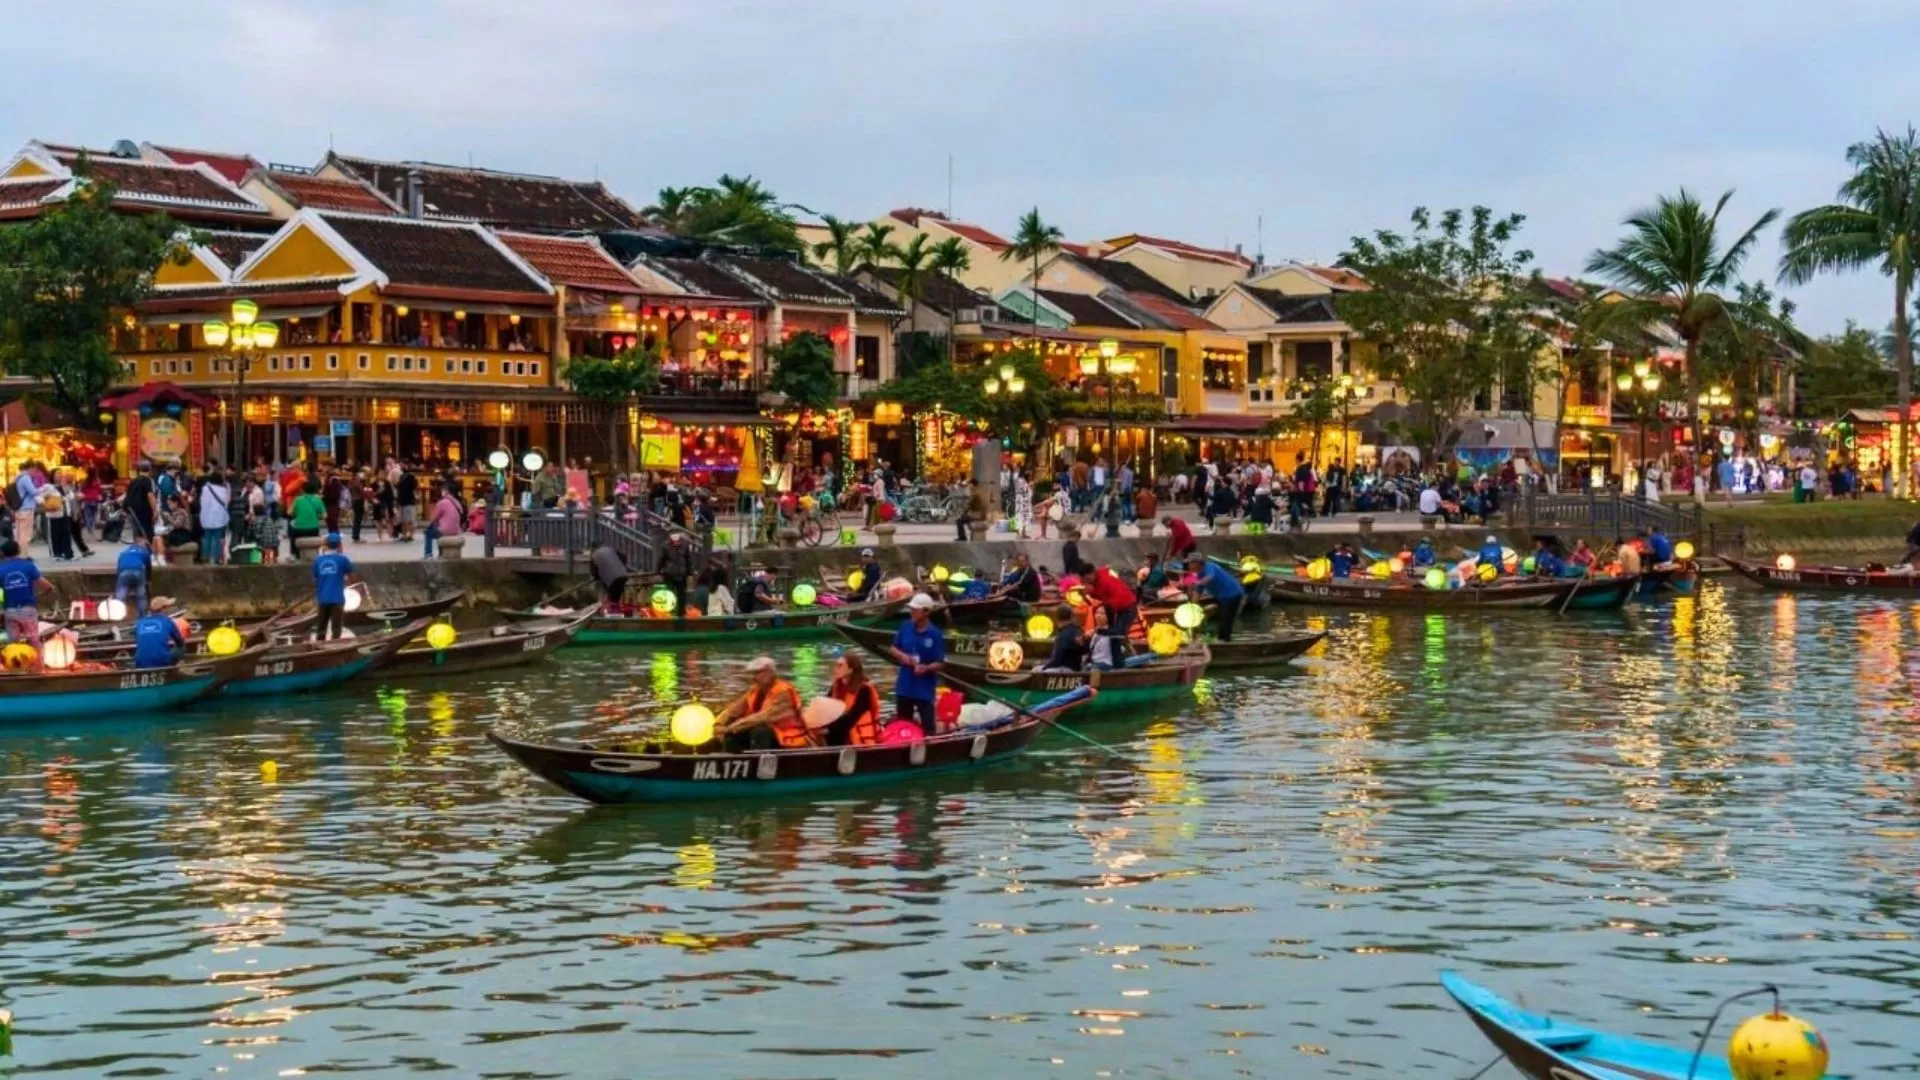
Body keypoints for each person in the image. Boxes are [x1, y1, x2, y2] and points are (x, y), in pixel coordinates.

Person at [716, 655, 811, 751]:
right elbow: (734, 709)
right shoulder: (755, 690)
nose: (753, 678)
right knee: (731, 736)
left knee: (760, 731)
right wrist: (719, 724)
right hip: (766, 733)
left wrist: (732, 728)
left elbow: (764, 717)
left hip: (788, 737)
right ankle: (731, 758)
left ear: (770, 673)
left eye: (757, 673)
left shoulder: (783, 691)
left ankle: (758, 759)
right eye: (753, 674)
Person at [888, 593, 946, 736]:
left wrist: (926, 668)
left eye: (915, 609)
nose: (912, 612)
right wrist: (903, 657)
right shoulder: (905, 627)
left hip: (924, 690)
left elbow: (940, 663)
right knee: (903, 727)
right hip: (904, 687)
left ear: (926, 611)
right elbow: (893, 648)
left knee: (928, 729)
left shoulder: (935, 634)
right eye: (911, 609)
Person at [823, 652, 883, 747]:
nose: (835, 668)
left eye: (840, 665)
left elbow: (852, 718)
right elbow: (825, 709)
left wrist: (828, 729)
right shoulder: (836, 687)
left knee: (831, 733)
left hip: (857, 738)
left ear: (851, 670)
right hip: (840, 732)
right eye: (836, 665)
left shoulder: (864, 689)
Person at [0, 538, 51, 647]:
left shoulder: (1, 569)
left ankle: (15, 658)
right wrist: (44, 593)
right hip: (28, 610)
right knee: (34, 641)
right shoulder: (28, 565)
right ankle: (37, 658)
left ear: (2, 553)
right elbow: (46, 585)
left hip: (10, 611)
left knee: (13, 645)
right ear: (19, 550)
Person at [1186, 552, 1246, 641]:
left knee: (1226, 620)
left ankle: (1224, 641)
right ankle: (1222, 639)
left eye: (1190, 563)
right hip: (1222, 597)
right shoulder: (1199, 575)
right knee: (1222, 619)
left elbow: (1210, 577)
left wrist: (1196, 582)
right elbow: (1197, 593)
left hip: (1233, 594)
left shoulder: (1209, 566)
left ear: (1197, 563)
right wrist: (1192, 607)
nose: (1189, 566)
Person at [312, 533, 358, 641]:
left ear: (326, 544)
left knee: (321, 628)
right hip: (337, 598)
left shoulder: (318, 560)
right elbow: (352, 576)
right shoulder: (343, 560)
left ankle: (319, 645)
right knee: (336, 629)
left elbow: (315, 579)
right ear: (339, 545)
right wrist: (346, 583)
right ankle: (335, 644)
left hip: (322, 598)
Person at [1087, 560, 1140, 639]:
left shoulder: (1106, 583)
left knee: (1117, 633)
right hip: (1120, 607)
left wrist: (1098, 632)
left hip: (1125, 607)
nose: (1099, 616)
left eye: (1102, 614)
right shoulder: (1101, 585)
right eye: (1098, 613)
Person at [132, 597, 186, 670]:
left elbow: (139, 639)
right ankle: (171, 669)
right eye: (168, 607)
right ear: (164, 608)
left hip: (140, 663)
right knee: (182, 647)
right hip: (162, 662)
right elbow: (179, 641)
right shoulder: (167, 621)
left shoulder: (140, 622)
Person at [1040, 603, 1088, 672]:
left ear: (1056, 618)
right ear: (1071, 616)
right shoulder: (1080, 631)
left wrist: (1044, 668)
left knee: (1036, 671)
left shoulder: (1063, 635)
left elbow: (1056, 660)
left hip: (1066, 669)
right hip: (1078, 668)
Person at [126, 462, 159, 559]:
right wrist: (155, 510)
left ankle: (138, 554)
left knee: (137, 534)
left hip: (133, 512)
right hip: (144, 512)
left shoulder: (133, 481)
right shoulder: (147, 481)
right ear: (149, 470)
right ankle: (147, 555)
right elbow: (150, 496)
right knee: (146, 533)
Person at [199, 469, 231, 565]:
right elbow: (226, 502)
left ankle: (205, 557)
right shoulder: (223, 490)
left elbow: (202, 502)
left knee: (207, 538)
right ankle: (217, 558)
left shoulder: (205, 489)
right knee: (218, 538)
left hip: (207, 517)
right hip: (219, 518)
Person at [288, 481, 326, 560]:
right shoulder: (318, 500)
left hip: (299, 528)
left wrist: (297, 514)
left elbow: (289, 512)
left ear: (303, 489)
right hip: (313, 528)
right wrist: (316, 516)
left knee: (293, 536)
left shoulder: (298, 499)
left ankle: (294, 554)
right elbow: (324, 516)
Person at [114, 540, 153, 617]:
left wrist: (119, 578)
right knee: (141, 596)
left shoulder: (124, 552)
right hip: (138, 570)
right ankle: (142, 615)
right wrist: (148, 579)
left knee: (121, 594)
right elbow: (148, 567)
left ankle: (117, 614)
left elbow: (118, 567)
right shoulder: (144, 552)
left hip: (124, 571)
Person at [425, 483, 463, 558]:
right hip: (456, 529)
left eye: (442, 490)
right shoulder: (457, 502)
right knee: (438, 528)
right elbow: (461, 513)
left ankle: (428, 554)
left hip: (445, 530)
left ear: (446, 491)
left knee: (428, 533)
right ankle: (440, 553)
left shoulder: (442, 502)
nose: (441, 492)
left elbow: (434, 517)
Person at [590, 541, 628, 609]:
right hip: (623, 575)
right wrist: (620, 566)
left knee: (613, 599)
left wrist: (599, 576)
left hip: (611, 579)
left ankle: (614, 611)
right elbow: (624, 557)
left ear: (593, 548)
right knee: (617, 596)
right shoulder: (610, 549)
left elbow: (594, 573)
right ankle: (617, 610)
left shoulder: (594, 556)